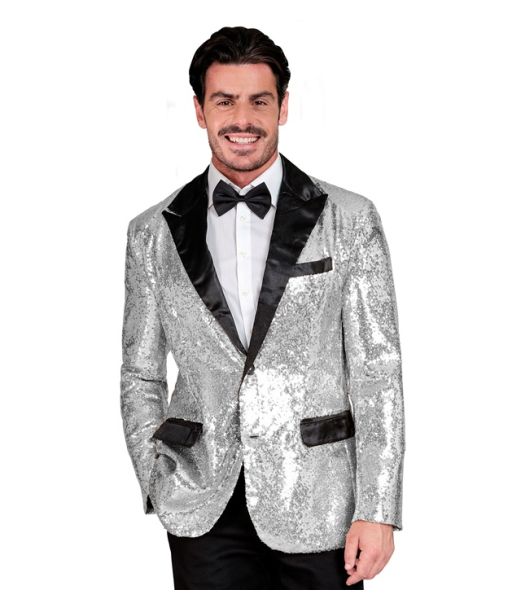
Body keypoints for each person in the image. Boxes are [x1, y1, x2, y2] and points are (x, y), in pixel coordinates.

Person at [120, 25, 406, 590]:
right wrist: (157, 479)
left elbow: (378, 372)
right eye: (225, 101)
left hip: (321, 500)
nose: (242, 119)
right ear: (200, 110)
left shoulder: (350, 219)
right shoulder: (150, 233)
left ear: (284, 107)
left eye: (259, 101)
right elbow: (139, 372)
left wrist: (378, 507)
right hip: (202, 502)